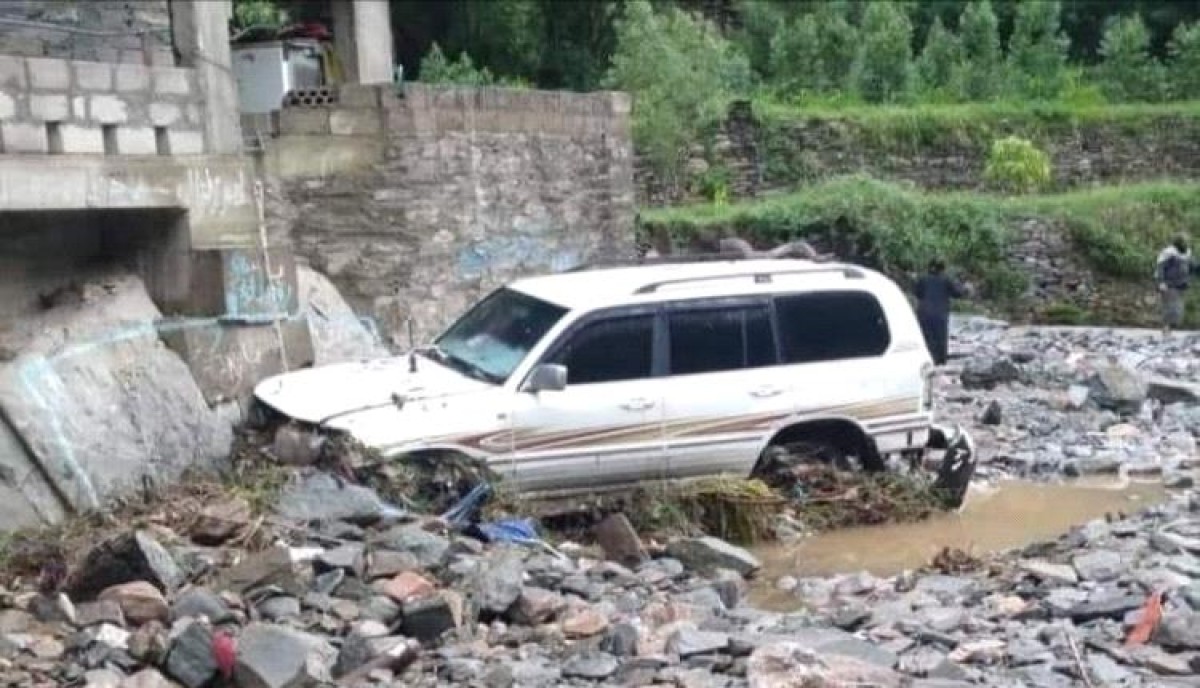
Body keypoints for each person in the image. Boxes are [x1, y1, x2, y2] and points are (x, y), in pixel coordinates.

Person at [914, 258, 968, 366]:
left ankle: (925, 360)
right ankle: (940, 363)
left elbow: (917, 293)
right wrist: (965, 288)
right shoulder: (946, 280)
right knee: (940, 339)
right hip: (940, 314)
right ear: (942, 269)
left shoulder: (922, 279)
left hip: (924, 313)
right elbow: (958, 293)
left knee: (926, 337)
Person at [1155, 235, 1193, 334]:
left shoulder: (1187, 253)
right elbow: (1160, 268)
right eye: (1184, 242)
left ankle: (1169, 329)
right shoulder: (1168, 253)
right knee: (1170, 307)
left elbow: (1191, 266)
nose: (1186, 244)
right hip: (1168, 285)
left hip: (1181, 285)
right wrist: (1161, 282)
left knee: (1178, 309)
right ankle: (1166, 328)